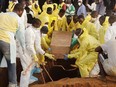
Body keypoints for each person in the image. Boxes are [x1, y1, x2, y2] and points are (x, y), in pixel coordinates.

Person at [20, 18, 55, 87]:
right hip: (24, 52)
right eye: (38, 24)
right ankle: (23, 85)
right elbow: (29, 46)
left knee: (30, 68)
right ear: (34, 24)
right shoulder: (29, 31)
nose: (40, 25)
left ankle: (27, 81)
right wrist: (34, 55)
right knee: (26, 70)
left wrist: (45, 54)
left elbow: (38, 46)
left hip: (29, 52)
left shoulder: (37, 31)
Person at [0, 3, 25, 87]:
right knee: (11, 64)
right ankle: (12, 84)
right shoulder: (18, 20)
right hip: (7, 41)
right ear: (20, 11)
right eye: (22, 12)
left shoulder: (2, 14)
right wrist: (23, 47)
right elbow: (21, 36)